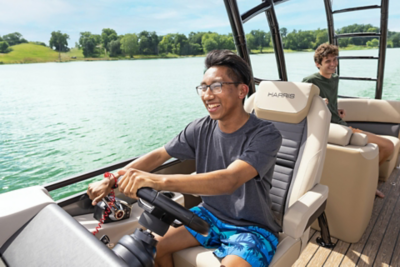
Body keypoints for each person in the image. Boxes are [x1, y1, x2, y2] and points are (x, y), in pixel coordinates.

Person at [87, 49, 282, 267]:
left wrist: (154, 180)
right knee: (152, 248)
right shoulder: (200, 128)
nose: (207, 95)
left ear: (241, 91)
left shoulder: (266, 134)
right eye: (203, 87)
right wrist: (112, 179)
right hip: (209, 215)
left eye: (217, 86)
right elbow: (159, 155)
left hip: (251, 227)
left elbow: (230, 180)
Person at [302, 43, 394, 198]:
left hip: (340, 122)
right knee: (387, 146)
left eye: (334, 59)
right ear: (318, 64)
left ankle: (368, 182)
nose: (333, 64)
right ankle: (369, 183)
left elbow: (330, 100)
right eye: (327, 61)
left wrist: (335, 109)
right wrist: (317, 104)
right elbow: (304, 106)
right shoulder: (310, 80)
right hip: (335, 129)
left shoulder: (335, 78)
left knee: (387, 146)